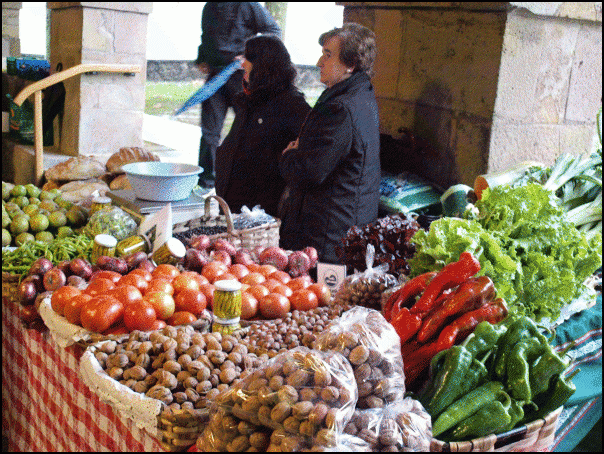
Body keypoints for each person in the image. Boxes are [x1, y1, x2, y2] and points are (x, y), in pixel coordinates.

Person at [278, 23, 381, 264]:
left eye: (327, 55)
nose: (318, 62)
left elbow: (309, 172)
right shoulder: (358, 94)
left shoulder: (342, 108)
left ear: (350, 64)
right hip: (339, 227)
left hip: (329, 237)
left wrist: (289, 155)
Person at [215, 35, 311, 217]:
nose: (243, 63)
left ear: (263, 65)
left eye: (248, 58)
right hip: (234, 208)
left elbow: (306, 157)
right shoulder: (249, 99)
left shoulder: (292, 105)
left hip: (261, 214)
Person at [195, 2, 281, 186]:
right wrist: (202, 58)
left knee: (250, 127)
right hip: (215, 77)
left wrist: (251, 56)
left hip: (241, 76)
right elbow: (205, 37)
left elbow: (273, 31)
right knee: (209, 132)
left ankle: (253, 179)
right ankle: (206, 182)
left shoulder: (247, 4)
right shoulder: (209, 7)